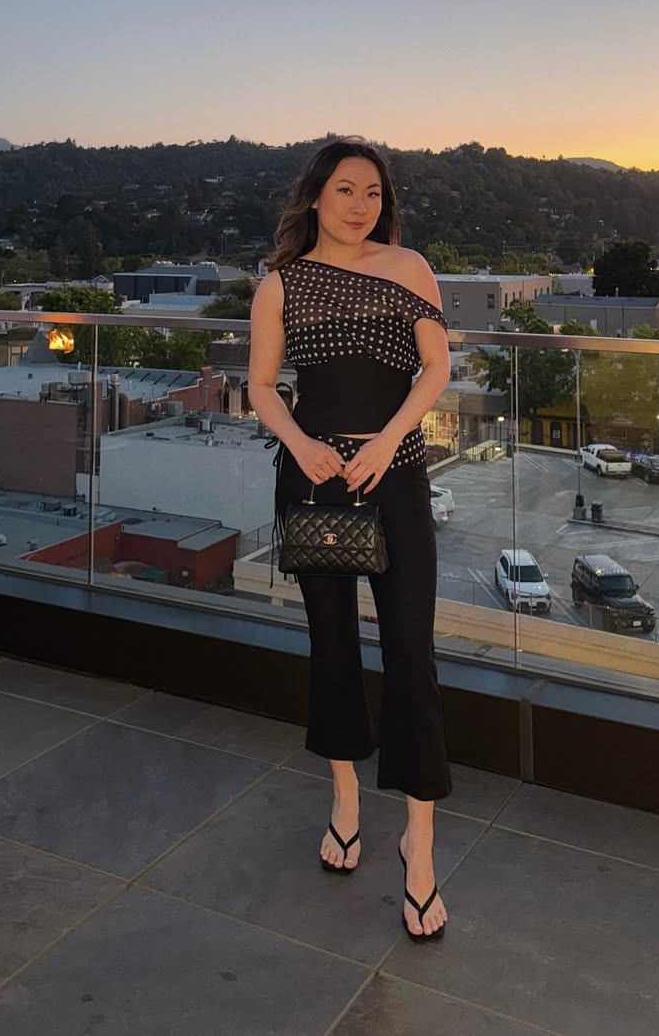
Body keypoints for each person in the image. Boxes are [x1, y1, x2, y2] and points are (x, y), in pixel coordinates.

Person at [248, 137, 452, 941]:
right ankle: (343, 797)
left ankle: (420, 841)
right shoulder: (280, 284)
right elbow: (263, 386)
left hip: (395, 476)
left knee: (412, 651)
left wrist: (387, 441)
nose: (360, 204)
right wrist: (302, 446)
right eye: (344, 190)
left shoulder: (411, 269)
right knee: (330, 645)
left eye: (373, 191)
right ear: (316, 197)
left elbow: (435, 370)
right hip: (311, 478)